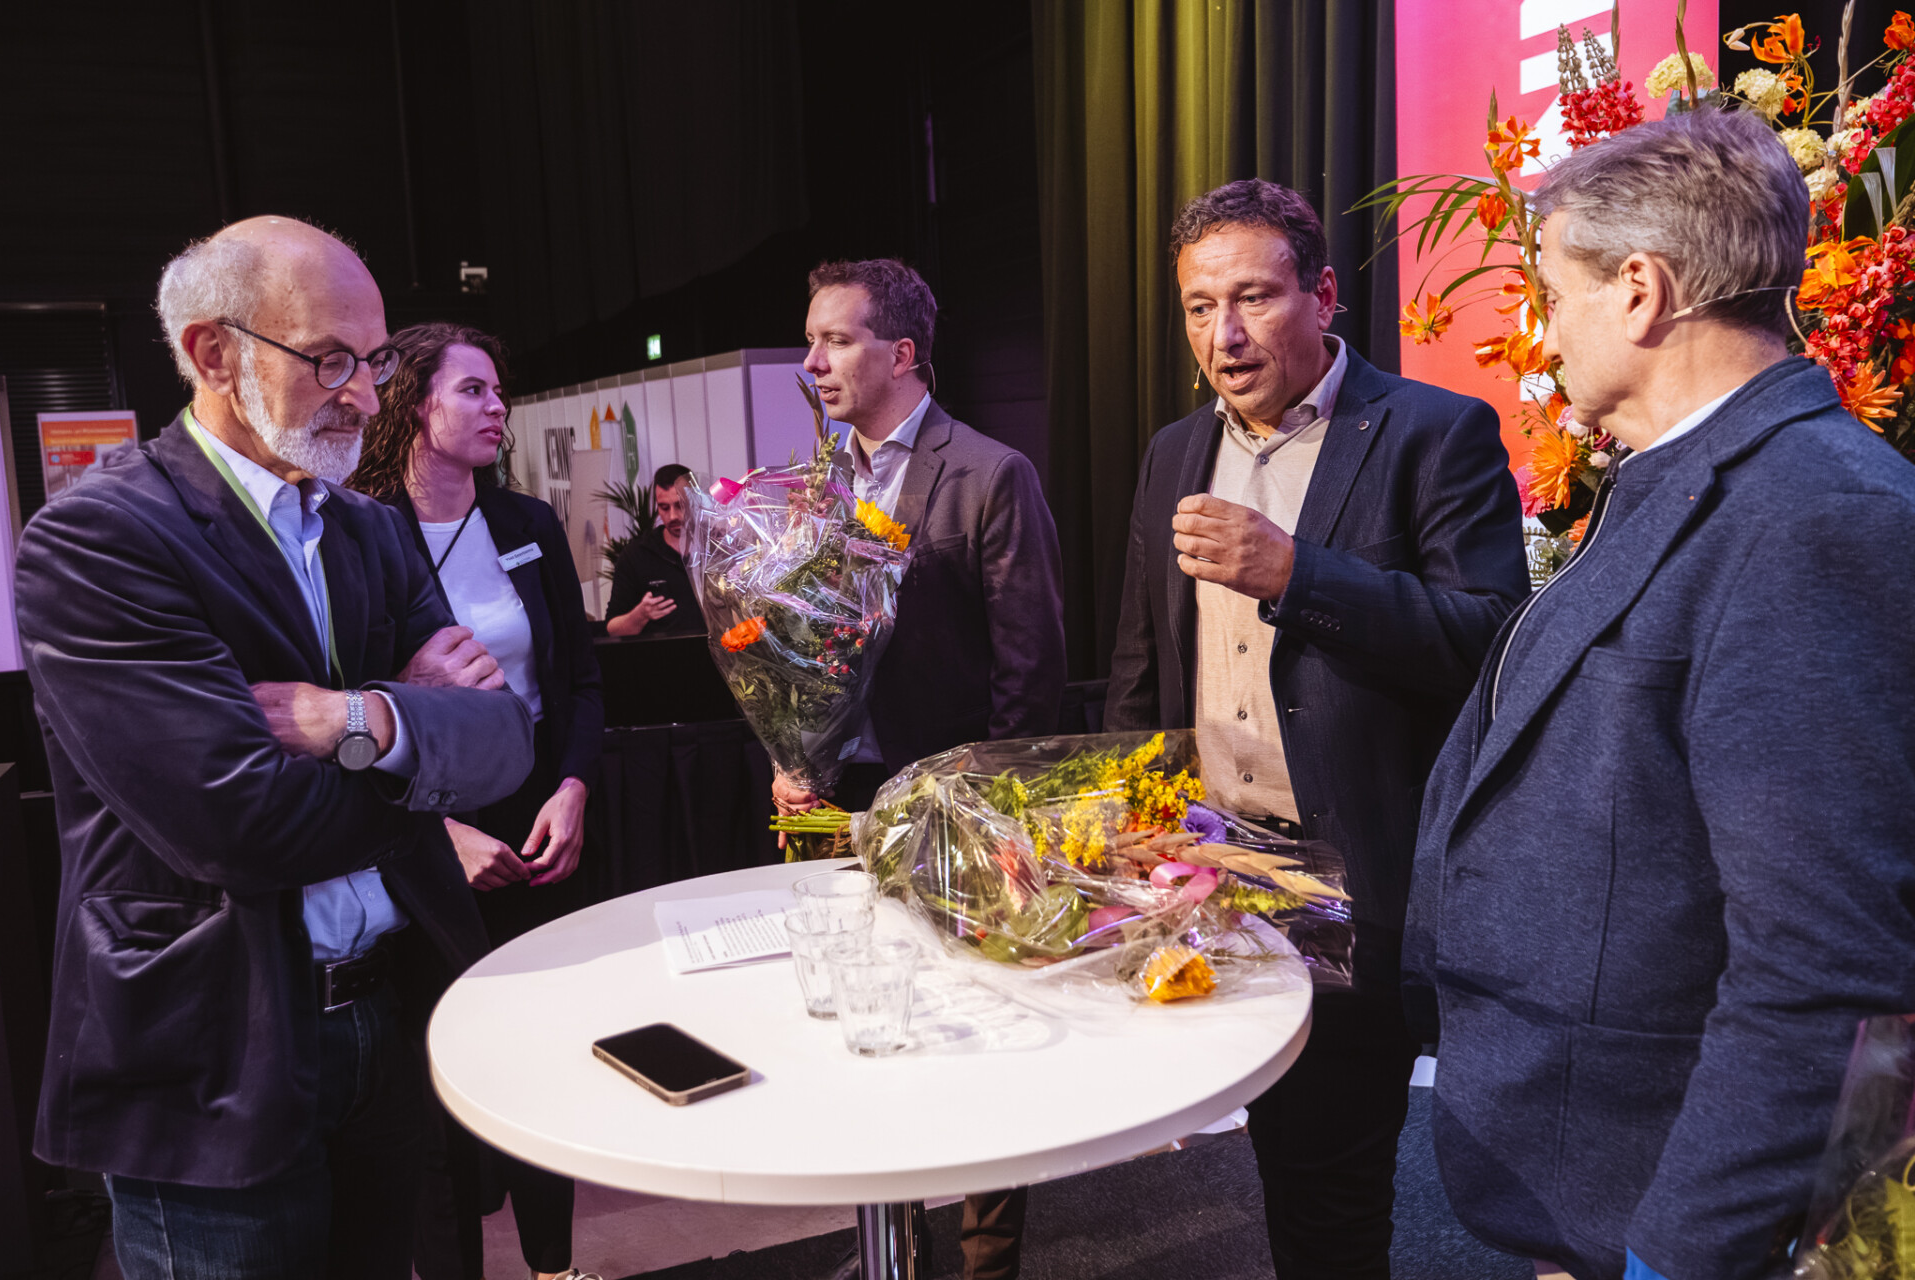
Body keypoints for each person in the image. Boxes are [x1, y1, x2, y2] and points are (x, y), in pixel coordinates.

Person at [1403, 108, 1915, 1280]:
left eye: (1553, 294)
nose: (1544, 331)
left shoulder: (1813, 515)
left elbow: (1823, 969)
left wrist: (1677, 1253)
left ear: (1639, 291)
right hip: (1594, 1170)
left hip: (1672, 1203)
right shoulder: (1691, 470)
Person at [15, 217, 535, 1279]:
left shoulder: (368, 529)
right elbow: (238, 822)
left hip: (386, 1016)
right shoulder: (102, 538)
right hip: (216, 1050)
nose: (367, 396)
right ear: (214, 353)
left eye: (375, 361)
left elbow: (501, 741)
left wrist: (357, 719)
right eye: (331, 360)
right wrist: (416, 742)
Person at [1103, 178, 1529, 1278]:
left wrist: (1299, 574)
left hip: (1348, 879)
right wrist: (1134, 813)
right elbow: (1143, 666)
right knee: (1258, 1155)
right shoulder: (1172, 452)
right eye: (1200, 307)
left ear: (1324, 294)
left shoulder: (1432, 432)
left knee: (1330, 1187)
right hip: (1208, 865)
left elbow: (1491, 642)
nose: (1224, 336)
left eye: (1253, 297)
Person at [773, 258, 1066, 1279]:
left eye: (836, 339)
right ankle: (892, 1243)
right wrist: (789, 752)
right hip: (839, 805)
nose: (814, 361)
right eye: (811, 341)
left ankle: (988, 1262)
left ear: (900, 353)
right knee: (863, 1018)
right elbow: (796, 648)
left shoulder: (988, 472)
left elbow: (1031, 666)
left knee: (986, 1026)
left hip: (955, 801)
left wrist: (989, 809)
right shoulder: (817, 483)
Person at [350, 322, 605, 1280]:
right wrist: (438, 831)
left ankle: (554, 1268)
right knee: (439, 1085)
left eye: (499, 391)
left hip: (539, 822)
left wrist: (572, 787)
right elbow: (352, 711)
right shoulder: (359, 534)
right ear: (416, 406)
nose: (498, 407)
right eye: (473, 390)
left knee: (543, 1060)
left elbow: (581, 683)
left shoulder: (528, 524)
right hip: (420, 830)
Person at [605, 463, 703, 637]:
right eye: (664, 507)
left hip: (720, 652)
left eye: (680, 505)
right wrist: (640, 615)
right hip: (661, 653)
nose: (672, 516)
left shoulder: (717, 547)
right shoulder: (636, 555)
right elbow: (612, 628)